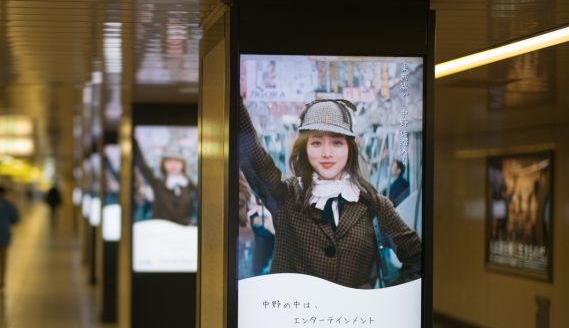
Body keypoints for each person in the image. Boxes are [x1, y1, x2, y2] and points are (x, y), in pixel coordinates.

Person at [238, 99, 421, 288]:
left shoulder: (373, 204)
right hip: (296, 317)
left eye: (337, 143)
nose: (327, 153)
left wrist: (385, 301)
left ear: (350, 148)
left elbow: (417, 257)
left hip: (352, 318)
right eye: (317, 143)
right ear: (305, 147)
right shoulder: (286, 196)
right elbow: (252, 155)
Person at [133, 139, 197, 226]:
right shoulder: (157, 183)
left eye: (177, 161)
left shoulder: (191, 187)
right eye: (169, 161)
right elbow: (143, 167)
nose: (173, 165)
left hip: (183, 234)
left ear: (183, 164)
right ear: (163, 163)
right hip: (160, 232)